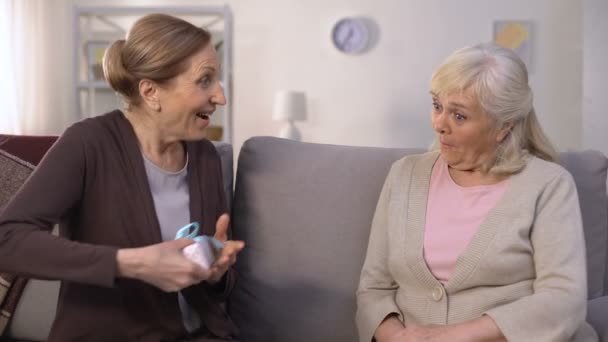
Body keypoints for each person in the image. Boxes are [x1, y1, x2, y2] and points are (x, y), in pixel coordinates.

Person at [0, 14, 244, 342]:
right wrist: (130, 263)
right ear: (151, 91)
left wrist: (215, 272)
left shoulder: (206, 158)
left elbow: (215, 290)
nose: (220, 97)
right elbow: (8, 239)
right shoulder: (88, 143)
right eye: (205, 80)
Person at [356, 43, 598, 342]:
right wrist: (396, 337)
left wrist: (452, 336)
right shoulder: (404, 174)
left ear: (502, 127)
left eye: (459, 116)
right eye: (437, 105)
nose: (439, 124)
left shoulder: (549, 184)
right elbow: (374, 288)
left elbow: (563, 299)